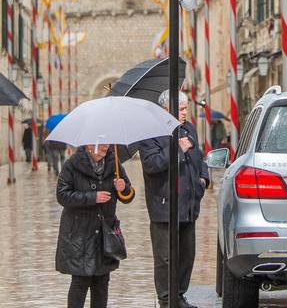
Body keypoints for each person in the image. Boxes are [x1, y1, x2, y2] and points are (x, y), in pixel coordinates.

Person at [139, 90, 209, 308]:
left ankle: (179, 295)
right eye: (180, 109)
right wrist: (177, 150)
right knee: (165, 258)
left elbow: (199, 157)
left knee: (187, 254)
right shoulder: (150, 133)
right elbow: (152, 165)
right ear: (166, 109)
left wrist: (203, 179)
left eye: (186, 108)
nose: (185, 112)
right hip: (164, 205)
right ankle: (166, 299)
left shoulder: (188, 129)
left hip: (188, 203)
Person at [55, 144, 135, 308]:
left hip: (104, 233)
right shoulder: (73, 164)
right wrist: (92, 197)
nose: (105, 146)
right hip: (79, 234)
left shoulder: (114, 163)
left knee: (102, 281)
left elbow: (127, 196)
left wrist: (124, 188)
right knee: (80, 280)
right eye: (100, 143)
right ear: (89, 146)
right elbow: (62, 195)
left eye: (106, 143)